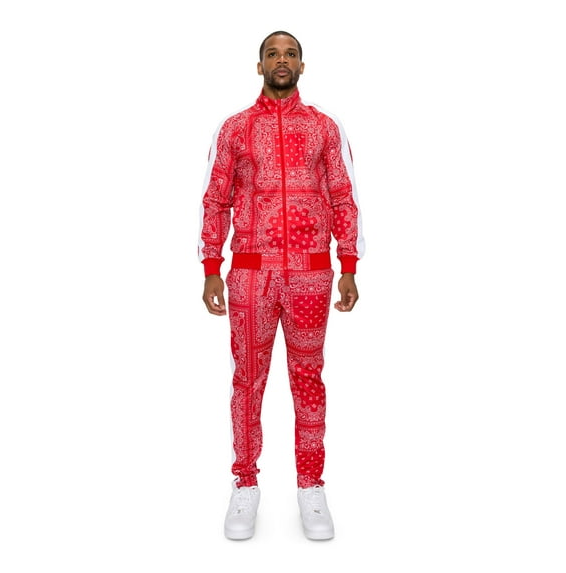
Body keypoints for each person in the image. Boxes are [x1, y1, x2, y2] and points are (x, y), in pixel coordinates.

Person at [198, 30, 365, 541]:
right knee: (247, 381)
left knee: (308, 379)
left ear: (302, 65)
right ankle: (245, 483)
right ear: (260, 66)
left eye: (290, 53)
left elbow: (343, 194)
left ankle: (311, 486)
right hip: (250, 273)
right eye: (272, 53)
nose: (282, 60)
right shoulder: (235, 128)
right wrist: (210, 266)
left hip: (311, 274)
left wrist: (349, 263)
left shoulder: (323, 128)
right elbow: (215, 198)